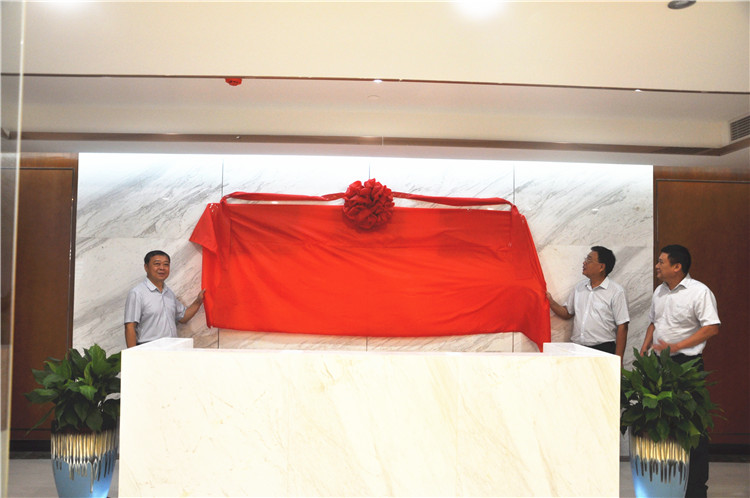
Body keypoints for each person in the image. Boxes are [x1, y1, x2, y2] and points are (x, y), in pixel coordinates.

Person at [640, 244, 720, 498]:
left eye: (661, 262)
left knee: (693, 428)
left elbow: (711, 327)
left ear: (677, 267)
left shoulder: (699, 292)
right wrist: (645, 347)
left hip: (687, 366)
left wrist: (676, 346)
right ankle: (665, 485)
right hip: (660, 366)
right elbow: (654, 322)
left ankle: (695, 489)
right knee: (662, 426)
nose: (657, 266)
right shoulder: (659, 291)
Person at [547, 246, 630, 361]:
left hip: (603, 350)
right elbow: (567, 313)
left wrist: (618, 359)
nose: (584, 263)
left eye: (589, 260)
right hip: (577, 349)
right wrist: (550, 301)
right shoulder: (579, 287)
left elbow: (623, 326)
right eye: (586, 259)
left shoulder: (616, 291)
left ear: (601, 267)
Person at [124, 250, 205, 348]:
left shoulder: (169, 293)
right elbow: (130, 327)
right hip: (149, 350)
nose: (162, 268)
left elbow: (183, 317)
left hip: (172, 349)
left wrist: (198, 301)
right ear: (146, 267)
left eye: (166, 264)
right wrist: (133, 355)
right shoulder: (137, 293)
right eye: (157, 264)